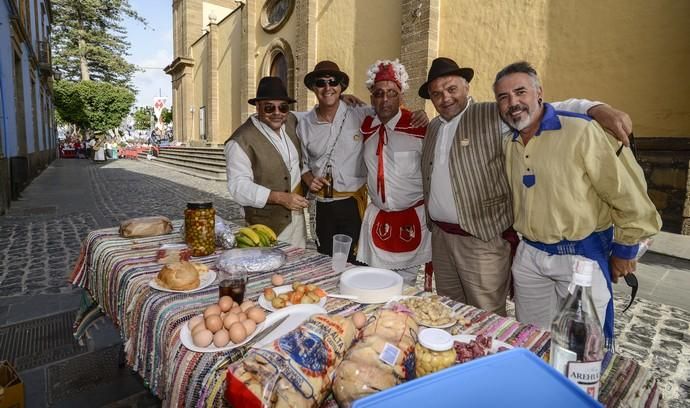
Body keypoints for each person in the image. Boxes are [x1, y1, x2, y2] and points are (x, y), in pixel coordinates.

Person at [419, 57, 636, 316]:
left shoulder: (494, 112)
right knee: (448, 309)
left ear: (466, 87)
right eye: (436, 94)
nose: (445, 98)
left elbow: (541, 108)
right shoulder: (433, 126)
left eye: (451, 89)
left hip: (481, 240)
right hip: (442, 239)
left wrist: (595, 108)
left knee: (484, 316)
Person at [493, 61, 661, 347]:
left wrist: (624, 250)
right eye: (503, 97)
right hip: (530, 255)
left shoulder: (580, 131)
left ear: (539, 94)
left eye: (521, 92)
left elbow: (628, 195)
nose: (513, 102)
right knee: (532, 342)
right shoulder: (509, 141)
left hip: (580, 257)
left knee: (584, 349)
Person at [357, 60, 431, 285]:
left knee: (404, 288)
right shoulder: (366, 127)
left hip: (411, 221)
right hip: (378, 219)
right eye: (379, 93)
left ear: (401, 96)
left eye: (392, 93)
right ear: (372, 99)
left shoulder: (419, 128)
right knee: (376, 283)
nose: (385, 99)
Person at [224, 76, 308, 248]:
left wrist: (342, 99)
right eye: (269, 107)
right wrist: (279, 198)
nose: (277, 113)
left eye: (283, 107)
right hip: (266, 227)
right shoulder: (240, 141)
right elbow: (238, 186)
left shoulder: (291, 120)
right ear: (258, 107)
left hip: (297, 221)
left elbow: (317, 114)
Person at [298, 61, 370, 262]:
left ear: (341, 87)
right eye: (321, 83)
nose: (327, 87)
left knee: (355, 262)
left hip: (353, 203)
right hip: (323, 205)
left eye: (333, 82)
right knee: (326, 260)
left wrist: (417, 115)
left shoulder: (360, 114)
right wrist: (308, 178)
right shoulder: (304, 124)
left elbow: (388, 114)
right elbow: (302, 163)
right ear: (314, 88)